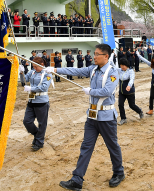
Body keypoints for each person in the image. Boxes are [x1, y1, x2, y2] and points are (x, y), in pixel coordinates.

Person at [45, 44, 125, 190]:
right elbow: (76, 70)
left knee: (112, 146)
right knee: (86, 147)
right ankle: (77, 179)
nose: (94, 57)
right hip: (92, 117)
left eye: (97, 54)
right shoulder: (93, 69)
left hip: (106, 117)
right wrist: (55, 69)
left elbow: (107, 91)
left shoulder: (113, 72)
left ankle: (119, 172)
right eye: (94, 54)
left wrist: (91, 91)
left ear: (106, 56)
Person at [23, 57, 53, 151]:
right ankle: (37, 134)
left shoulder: (47, 74)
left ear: (42, 64)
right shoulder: (32, 72)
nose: (34, 68)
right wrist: (21, 72)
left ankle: (39, 142)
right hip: (31, 101)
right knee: (27, 121)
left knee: (42, 123)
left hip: (42, 102)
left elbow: (44, 87)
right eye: (33, 66)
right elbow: (24, 79)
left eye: (36, 66)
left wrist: (31, 89)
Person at [109, 54, 144, 125]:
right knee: (120, 104)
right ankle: (123, 118)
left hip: (129, 91)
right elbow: (113, 66)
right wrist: (111, 55)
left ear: (126, 65)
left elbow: (132, 79)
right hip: (122, 91)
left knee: (132, 105)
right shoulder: (120, 70)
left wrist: (129, 86)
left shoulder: (130, 71)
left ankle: (140, 111)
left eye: (123, 66)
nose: (122, 67)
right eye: (121, 66)